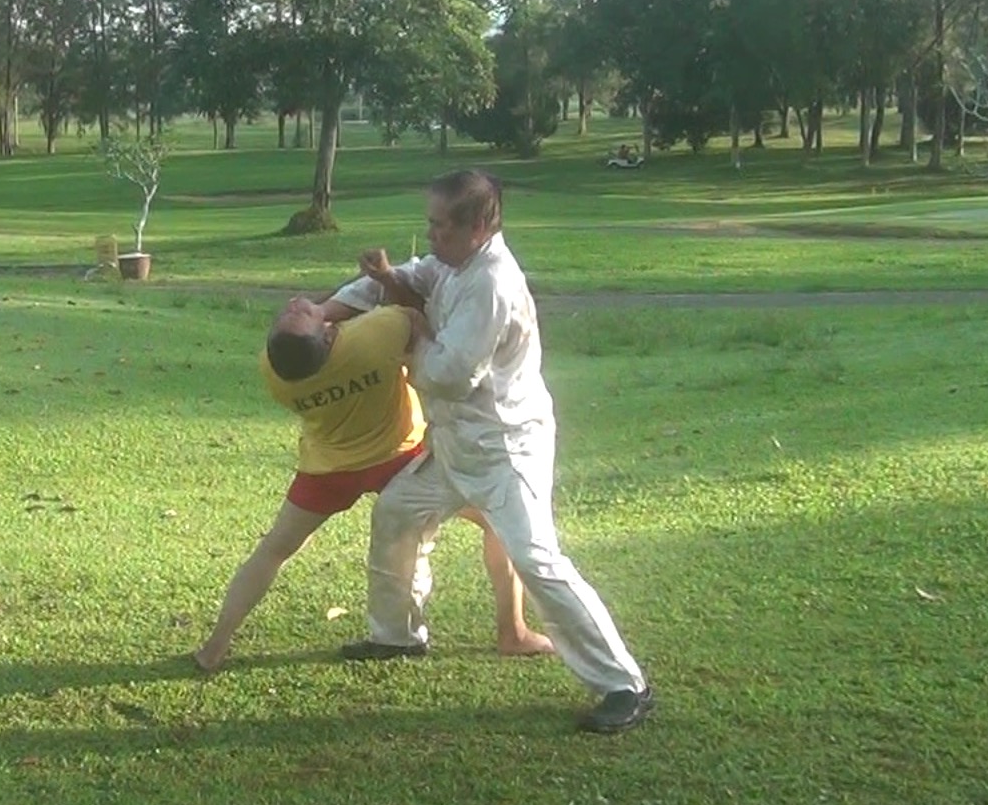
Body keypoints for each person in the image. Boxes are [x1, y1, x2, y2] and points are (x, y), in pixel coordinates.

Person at [328, 169, 654, 734]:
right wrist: (324, 311)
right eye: (428, 223)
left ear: (477, 226)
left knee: (537, 560)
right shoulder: (454, 265)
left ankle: (624, 684)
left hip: (507, 449)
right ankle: (397, 636)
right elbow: (406, 277)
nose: (430, 235)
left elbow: (452, 373)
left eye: (440, 225)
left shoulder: (493, 283)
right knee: (398, 513)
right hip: (456, 443)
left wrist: (408, 333)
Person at [192, 294, 554, 673]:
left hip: (329, 466)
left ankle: (215, 647)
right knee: (498, 522)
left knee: (275, 549)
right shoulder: (372, 336)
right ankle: (512, 631)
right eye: (301, 314)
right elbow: (408, 312)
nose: (295, 303)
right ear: (330, 336)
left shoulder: (275, 371)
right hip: (400, 457)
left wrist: (322, 316)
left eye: (290, 313)